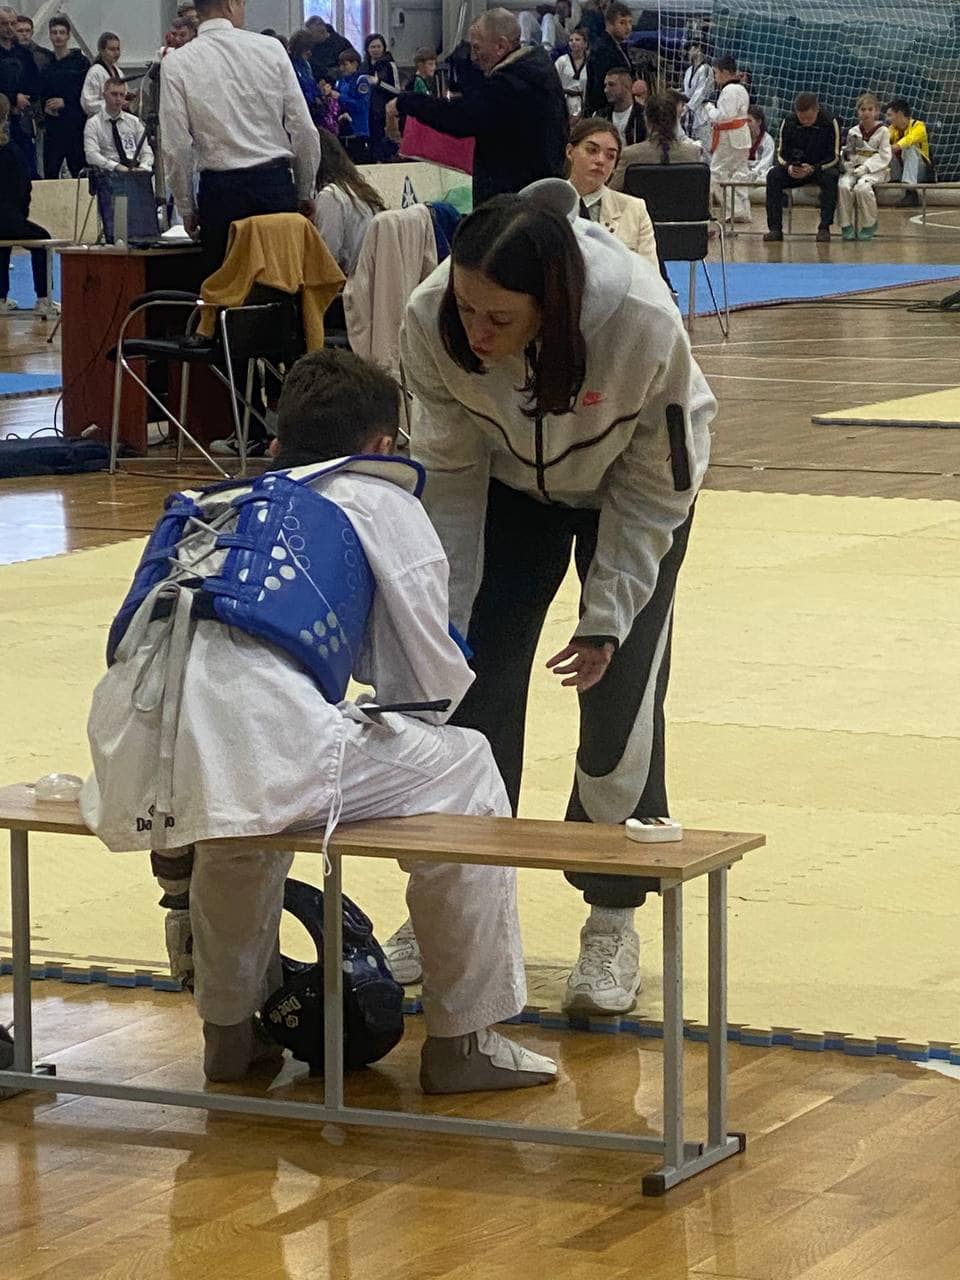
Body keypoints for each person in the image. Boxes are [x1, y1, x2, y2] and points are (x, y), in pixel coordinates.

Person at [80, 346, 558, 1097]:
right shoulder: (378, 498)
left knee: (237, 817)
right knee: (465, 764)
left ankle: (229, 1035)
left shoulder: (219, 501)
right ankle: (465, 1038)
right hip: (265, 746)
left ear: (279, 441)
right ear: (382, 444)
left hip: (126, 750)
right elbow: (422, 683)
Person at [396, 183, 714, 1014]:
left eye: (499, 318)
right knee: (467, 686)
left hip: (631, 497)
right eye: (467, 308)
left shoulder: (640, 320)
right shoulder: (433, 316)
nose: (477, 331)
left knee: (620, 703)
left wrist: (606, 617)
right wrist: (445, 615)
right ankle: (451, 900)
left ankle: (612, 918)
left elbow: (656, 486)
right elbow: (448, 477)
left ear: (553, 304)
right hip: (504, 491)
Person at [160, 0, 321, 278]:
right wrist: (305, 190)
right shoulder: (271, 49)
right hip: (274, 187)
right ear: (230, 5)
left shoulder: (176, 63)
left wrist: (186, 207)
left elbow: (176, 146)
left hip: (221, 194)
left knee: (226, 291)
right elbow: (304, 130)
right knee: (282, 287)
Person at [388, 10, 568, 207]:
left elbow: (458, 118)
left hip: (514, 202)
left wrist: (406, 102)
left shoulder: (510, 84)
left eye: (477, 48)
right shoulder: (536, 70)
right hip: (539, 193)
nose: (474, 57)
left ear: (500, 46)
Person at [566, 117, 657, 268]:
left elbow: (650, 275)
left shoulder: (635, 209)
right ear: (570, 151)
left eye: (610, 156)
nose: (600, 160)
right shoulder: (545, 205)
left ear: (615, 166)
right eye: (592, 150)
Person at [0, 94, 58, 318]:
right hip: (9, 218)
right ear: (6, 117)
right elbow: (24, 188)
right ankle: (44, 299)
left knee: (2, 246)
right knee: (43, 240)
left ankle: (1, 299)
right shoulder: (12, 151)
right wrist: (19, 217)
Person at [764, 91, 841, 243]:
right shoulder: (788, 122)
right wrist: (789, 167)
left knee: (831, 177)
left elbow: (835, 156)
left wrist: (813, 168)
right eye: (802, 118)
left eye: (809, 118)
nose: (805, 121)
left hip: (820, 169)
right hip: (796, 169)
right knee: (773, 176)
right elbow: (781, 154)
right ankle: (775, 229)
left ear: (817, 110)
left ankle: (824, 227)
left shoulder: (830, 121)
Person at [313, 127, 384, 276]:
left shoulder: (331, 196)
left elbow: (328, 258)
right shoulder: (359, 190)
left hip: (349, 281)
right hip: (368, 276)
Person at [610, 91, 704, 185]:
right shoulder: (693, 154)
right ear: (676, 119)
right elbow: (703, 191)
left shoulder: (630, 155)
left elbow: (611, 192)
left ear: (646, 120)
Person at [38, 14, 88, 178]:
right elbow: (42, 92)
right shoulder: (47, 65)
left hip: (75, 126)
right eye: (54, 33)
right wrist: (45, 106)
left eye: (61, 32)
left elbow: (86, 92)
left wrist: (66, 102)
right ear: (50, 36)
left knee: (79, 171)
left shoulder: (80, 63)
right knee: (51, 171)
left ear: (68, 36)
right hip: (54, 127)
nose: (58, 36)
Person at [838, 93, 891, 241]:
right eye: (863, 109)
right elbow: (849, 153)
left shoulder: (883, 131)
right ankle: (845, 225)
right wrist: (849, 166)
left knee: (862, 187)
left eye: (870, 109)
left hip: (877, 170)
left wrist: (866, 167)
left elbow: (884, 156)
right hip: (855, 169)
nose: (866, 113)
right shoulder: (853, 131)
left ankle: (869, 224)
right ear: (858, 111)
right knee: (843, 185)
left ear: (877, 111)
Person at [704, 54, 750, 224]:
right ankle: (743, 211)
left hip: (729, 138)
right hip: (741, 136)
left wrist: (710, 109)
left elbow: (725, 116)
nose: (715, 77)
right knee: (739, 175)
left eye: (716, 73)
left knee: (715, 174)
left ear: (724, 72)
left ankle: (736, 210)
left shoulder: (729, 90)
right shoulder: (741, 89)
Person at [84, 78, 154, 174]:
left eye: (122, 95)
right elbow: (91, 155)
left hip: (135, 170)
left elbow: (147, 152)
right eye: (114, 94)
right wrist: (116, 166)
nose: (118, 99)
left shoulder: (135, 122)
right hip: (108, 173)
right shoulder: (93, 123)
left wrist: (143, 167)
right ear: (104, 95)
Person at [0, 5, 38, 174]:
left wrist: (25, 99)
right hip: (2, 117)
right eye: (4, 24)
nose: (9, 28)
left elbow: (35, 81)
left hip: (22, 118)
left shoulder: (24, 53)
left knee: (27, 164)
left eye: (12, 23)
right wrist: (13, 98)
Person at [584, 0, 632, 117]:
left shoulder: (619, 47)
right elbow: (599, 87)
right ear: (610, 24)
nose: (628, 27)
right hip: (605, 111)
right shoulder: (602, 50)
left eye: (630, 22)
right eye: (622, 22)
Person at [886, 96, 931, 206]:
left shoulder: (919, 126)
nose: (888, 119)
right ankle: (894, 180)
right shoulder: (892, 129)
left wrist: (897, 146)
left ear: (899, 114)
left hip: (920, 170)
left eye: (890, 115)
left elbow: (910, 139)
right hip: (901, 170)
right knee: (885, 150)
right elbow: (884, 141)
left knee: (909, 148)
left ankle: (911, 192)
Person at [363, 33, 400, 162]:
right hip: (367, 111)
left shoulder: (390, 65)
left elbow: (396, 90)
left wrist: (378, 83)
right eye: (372, 47)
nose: (376, 50)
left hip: (384, 112)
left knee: (383, 145)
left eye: (378, 46)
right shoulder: (364, 65)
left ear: (384, 48)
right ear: (367, 49)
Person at [336, 47, 372, 164]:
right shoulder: (340, 82)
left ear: (355, 64)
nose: (342, 68)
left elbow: (362, 105)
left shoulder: (361, 81)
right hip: (343, 129)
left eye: (345, 65)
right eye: (340, 65)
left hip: (358, 130)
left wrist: (341, 97)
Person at [596, 66, 645, 146]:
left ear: (627, 86)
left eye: (611, 85)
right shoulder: (600, 116)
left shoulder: (643, 116)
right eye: (605, 85)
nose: (606, 90)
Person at [81, 31, 123, 118]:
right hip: (98, 121)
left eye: (118, 49)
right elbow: (88, 103)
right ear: (101, 51)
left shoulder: (118, 72)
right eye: (112, 49)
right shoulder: (95, 72)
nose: (116, 53)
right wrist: (114, 103)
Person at [682, 43, 713, 151]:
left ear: (698, 49)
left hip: (702, 112)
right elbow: (688, 92)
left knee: (704, 147)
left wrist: (688, 106)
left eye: (691, 49)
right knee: (689, 145)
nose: (689, 52)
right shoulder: (689, 70)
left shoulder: (706, 69)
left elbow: (701, 92)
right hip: (689, 113)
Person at [306, 16, 351, 85]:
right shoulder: (310, 46)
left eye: (311, 34)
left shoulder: (342, 44)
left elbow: (351, 68)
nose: (309, 37)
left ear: (321, 32)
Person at [554, 27, 587, 120]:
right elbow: (553, 81)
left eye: (577, 39)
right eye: (571, 40)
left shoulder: (590, 63)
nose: (573, 42)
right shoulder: (562, 61)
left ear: (585, 44)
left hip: (582, 102)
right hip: (564, 101)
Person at [288, 28, 320, 120]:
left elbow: (311, 83)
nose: (310, 53)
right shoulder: (289, 64)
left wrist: (318, 95)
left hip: (310, 108)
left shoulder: (306, 65)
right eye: (307, 49)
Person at [746, 104, 774, 181]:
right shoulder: (741, 138)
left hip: (759, 176)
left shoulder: (767, 140)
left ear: (759, 122)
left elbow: (765, 164)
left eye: (749, 121)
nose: (746, 124)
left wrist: (752, 173)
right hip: (743, 173)